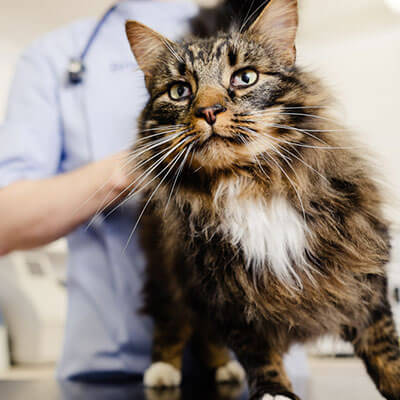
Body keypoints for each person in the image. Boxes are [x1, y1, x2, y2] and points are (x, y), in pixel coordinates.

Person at [0, 0, 309, 391]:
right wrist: (135, 166)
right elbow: (4, 222)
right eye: (180, 90)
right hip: (117, 371)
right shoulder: (55, 53)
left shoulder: (246, 21)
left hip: (274, 368)